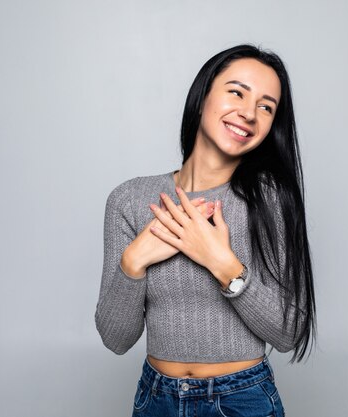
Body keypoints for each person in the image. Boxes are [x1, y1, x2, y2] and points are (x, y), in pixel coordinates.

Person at [95, 44, 316, 417]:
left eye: (266, 107)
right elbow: (116, 340)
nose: (249, 113)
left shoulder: (270, 199)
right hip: (156, 400)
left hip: (242, 399)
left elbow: (288, 333)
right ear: (202, 98)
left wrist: (223, 263)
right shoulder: (129, 199)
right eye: (237, 92)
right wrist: (133, 261)